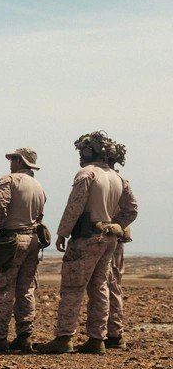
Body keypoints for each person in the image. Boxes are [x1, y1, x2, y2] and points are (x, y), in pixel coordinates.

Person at [38, 132, 137, 355]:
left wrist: (62, 233)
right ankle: (97, 339)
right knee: (100, 287)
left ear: (89, 151)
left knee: (73, 288)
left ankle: (64, 338)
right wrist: (116, 225)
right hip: (108, 239)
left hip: (86, 238)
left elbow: (75, 206)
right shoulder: (118, 178)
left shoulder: (87, 174)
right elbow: (132, 208)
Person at [0, 147, 46, 353]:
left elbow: (0, 206)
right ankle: (24, 335)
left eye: (13, 158)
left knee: (3, 289)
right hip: (32, 239)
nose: (10, 162)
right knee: (26, 290)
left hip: (11, 240)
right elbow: (40, 215)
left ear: (20, 161)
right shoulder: (38, 186)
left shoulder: (10, 180)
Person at [102, 141, 138, 350]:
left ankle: (114, 332)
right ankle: (111, 331)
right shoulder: (118, 181)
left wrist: (115, 226)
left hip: (110, 239)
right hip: (113, 238)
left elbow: (131, 209)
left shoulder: (114, 181)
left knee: (111, 283)